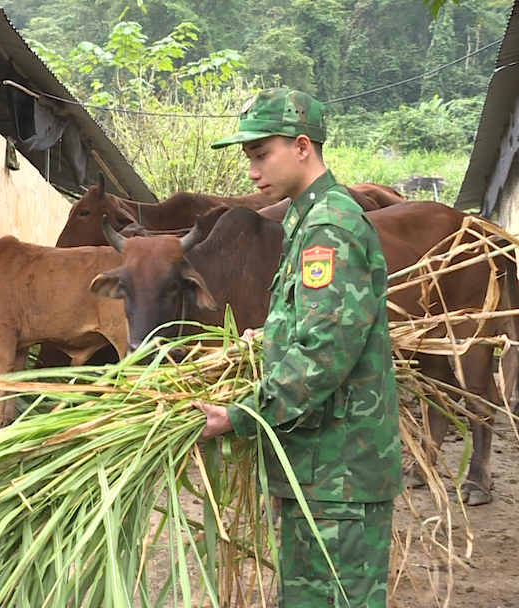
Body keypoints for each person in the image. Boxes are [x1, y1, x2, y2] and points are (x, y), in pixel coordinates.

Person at [195, 88, 402, 607]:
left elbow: (325, 352)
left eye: (261, 154)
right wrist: (266, 339)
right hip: (317, 471)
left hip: (339, 477)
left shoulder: (329, 228)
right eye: (249, 158)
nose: (252, 172)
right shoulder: (308, 221)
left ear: (302, 146)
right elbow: (321, 322)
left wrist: (239, 415)